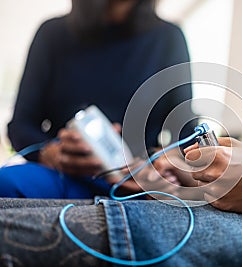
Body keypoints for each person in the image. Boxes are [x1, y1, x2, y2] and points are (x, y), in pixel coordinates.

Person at [0, 0, 242, 266]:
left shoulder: (166, 38)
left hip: (149, 179)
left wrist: (183, 154)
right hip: (100, 176)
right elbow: (21, 124)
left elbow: (187, 123)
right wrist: (54, 153)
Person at [0, 0, 196, 198]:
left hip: (137, 181)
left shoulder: (168, 38)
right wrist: (49, 153)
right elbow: (20, 125)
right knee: (5, 183)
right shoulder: (52, 34)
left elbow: (186, 133)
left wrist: (157, 163)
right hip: (63, 175)